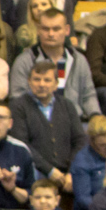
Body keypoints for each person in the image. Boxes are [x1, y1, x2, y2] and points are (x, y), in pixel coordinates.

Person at [10, 6, 103, 119]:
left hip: (73, 120)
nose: (51, 34)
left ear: (67, 30)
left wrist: (96, 116)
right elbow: (17, 98)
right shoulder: (24, 61)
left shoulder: (79, 60)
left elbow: (88, 95)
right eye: (45, 29)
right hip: (36, 121)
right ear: (38, 30)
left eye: (56, 29)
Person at [10, 59, 87, 195]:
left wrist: (71, 171)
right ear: (29, 81)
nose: (41, 84)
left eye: (47, 80)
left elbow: (80, 140)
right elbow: (22, 144)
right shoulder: (18, 106)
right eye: (36, 79)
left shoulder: (67, 105)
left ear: (56, 84)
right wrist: (50, 170)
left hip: (67, 170)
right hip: (37, 169)